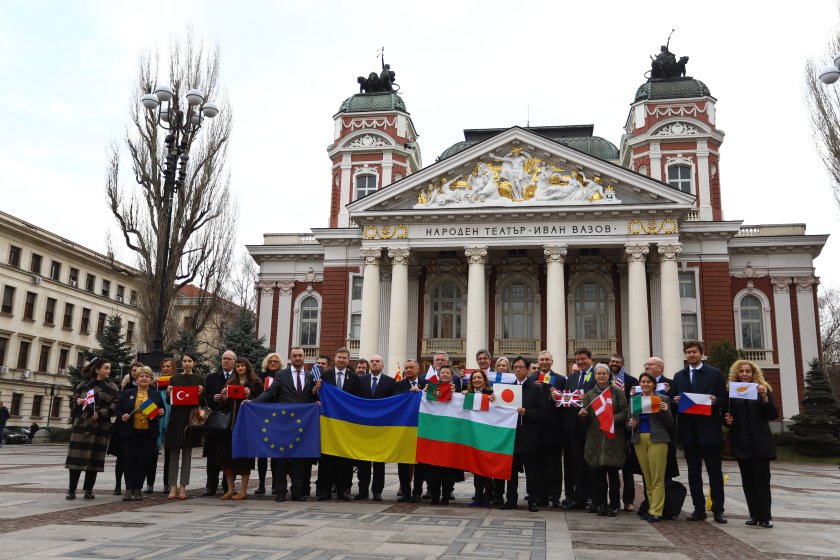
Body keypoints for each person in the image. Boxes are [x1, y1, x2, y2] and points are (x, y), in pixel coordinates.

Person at [670, 340, 728, 523]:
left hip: (709, 429)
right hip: (689, 431)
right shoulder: (679, 376)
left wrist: (715, 401)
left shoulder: (714, 374)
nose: (691, 355)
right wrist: (675, 400)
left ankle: (718, 509)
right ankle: (698, 508)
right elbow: (673, 399)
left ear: (701, 353)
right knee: (694, 472)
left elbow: (724, 398)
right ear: (685, 355)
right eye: (688, 352)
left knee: (714, 472)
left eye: (694, 352)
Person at [254, 346, 318, 502]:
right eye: (295, 355)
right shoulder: (282, 375)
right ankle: (280, 491)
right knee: (281, 457)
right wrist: (253, 402)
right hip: (284, 423)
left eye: (300, 355)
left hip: (302, 424)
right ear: (290, 358)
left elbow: (309, 398)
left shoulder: (310, 377)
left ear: (304, 358)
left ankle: (296, 491)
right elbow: (270, 392)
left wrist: (316, 400)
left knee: (299, 458)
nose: (297, 358)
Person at [724, 360, 778, 529]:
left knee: (762, 481)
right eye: (742, 372)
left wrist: (764, 397)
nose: (745, 374)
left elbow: (772, 414)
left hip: (760, 442)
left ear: (753, 373)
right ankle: (753, 515)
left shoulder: (763, 389)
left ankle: (766, 517)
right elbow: (727, 417)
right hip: (741, 442)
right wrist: (728, 421)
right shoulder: (732, 392)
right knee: (747, 481)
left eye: (748, 371)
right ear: (737, 374)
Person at [64, 358, 120, 499]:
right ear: (96, 369)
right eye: (106, 368)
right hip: (82, 425)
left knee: (94, 461)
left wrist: (101, 414)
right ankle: (71, 489)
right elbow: (73, 403)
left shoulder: (112, 387)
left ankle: (88, 489)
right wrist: (77, 402)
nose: (109, 371)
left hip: (100, 427)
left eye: (109, 368)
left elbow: (115, 406)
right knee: (76, 460)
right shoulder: (83, 385)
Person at [579, 363, 627, 517]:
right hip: (595, 439)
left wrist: (611, 420)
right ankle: (599, 503)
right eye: (598, 373)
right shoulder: (589, 395)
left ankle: (613, 505)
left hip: (613, 439)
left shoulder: (618, 392)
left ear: (608, 376)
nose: (601, 376)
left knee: (613, 475)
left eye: (604, 374)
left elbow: (625, 411)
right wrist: (583, 415)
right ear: (594, 376)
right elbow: (585, 416)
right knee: (597, 476)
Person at [627, 370, 673, 522]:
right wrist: (631, 424)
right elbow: (629, 424)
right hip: (639, 439)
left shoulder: (662, 398)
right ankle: (651, 507)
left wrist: (665, 411)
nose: (645, 384)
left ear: (654, 384)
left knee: (657, 476)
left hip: (658, 439)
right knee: (647, 476)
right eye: (643, 382)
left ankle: (656, 511)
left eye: (648, 382)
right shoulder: (635, 400)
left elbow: (670, 424)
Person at [501, 355, 545, 512]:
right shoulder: (507, 388)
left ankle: (533, 500)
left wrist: (527, 413)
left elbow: (542, 412)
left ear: (527, 370)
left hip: (529, 436)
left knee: (532, 471)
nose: (518, 370)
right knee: (510, 471)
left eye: (521, 367)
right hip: (511, 437)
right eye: (515, 367)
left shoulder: (535, 389)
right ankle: (511, 499)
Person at [217, 357, 263, 500]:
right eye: (238, 366)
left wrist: (251, 396)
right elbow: (223, 407)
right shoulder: (231, 382)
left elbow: (261, 402)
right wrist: (223, 397)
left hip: (246, 425)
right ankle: (230, 489)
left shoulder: (255, 383)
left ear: (247, 367)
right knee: (228, 458)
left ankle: (243, 490)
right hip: (230, 424)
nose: (240, 368)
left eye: (242, 365)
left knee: (244, 458)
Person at [117, 366, 166, 501]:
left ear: (151, 380)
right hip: (130, 432)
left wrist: (161, 413)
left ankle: (138, 489)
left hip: (148, 433)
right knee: (129, 460)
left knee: (143, 461)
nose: (144, 378)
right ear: (136, 379)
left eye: (147, 376)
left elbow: (161, 412)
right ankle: (128, 489)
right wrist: (123, 416)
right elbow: (119, 409)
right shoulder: (128, 393)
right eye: (141, 376)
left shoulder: (155, 395)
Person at [316, 348, 358, 501]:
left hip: (346, 425)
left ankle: (343, 491)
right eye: (339, 357)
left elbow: (357, 399)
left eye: (344, 358)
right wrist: (317, 389)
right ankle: (324, 491)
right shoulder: (325, 376)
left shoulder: (353, 377)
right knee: (327, 459)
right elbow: (317, 395)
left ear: (348, 360)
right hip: (329, 424)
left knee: (345, 460)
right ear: (335, 358)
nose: (341, 360)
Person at [354, 354, 396, 500]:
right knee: (363, 461)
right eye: (372, 361)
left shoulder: (390, 382)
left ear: (382, 365)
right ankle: (362, 490)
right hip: (364, 427)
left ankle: (377, 491)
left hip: (381, 429)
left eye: (377, 361)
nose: (374, 363)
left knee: (379, 462)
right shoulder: (360, 381)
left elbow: (395, 403)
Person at [165, 352, 206, 500]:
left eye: (189, 361)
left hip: (190, 420)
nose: (186, 363)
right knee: (174, 455)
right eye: (184, 361)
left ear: (194, 363)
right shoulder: (175, 379)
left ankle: (183, 486)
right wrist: (168, 393)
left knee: (187, 455)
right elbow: (171, 402)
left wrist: (200, 393)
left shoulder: (199, 379)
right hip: (176, 419)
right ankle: (172, 486)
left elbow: (201, 403)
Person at [529, 350, 567, 508]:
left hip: (554, 428)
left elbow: (566, 402)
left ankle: (555, 495)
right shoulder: (531, 380)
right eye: (541, 360)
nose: (544, 362)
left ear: (552, 361)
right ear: (538, 362)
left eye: (547, 359)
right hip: (536, 429)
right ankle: (541, 495)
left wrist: (557, 396)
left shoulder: (560, 379)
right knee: (539, 464)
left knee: (555, 465)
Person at [422, 365, 464, 505]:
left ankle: (446, 496)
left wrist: (458, 393)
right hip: (435, 435)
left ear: (452, 376)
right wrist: (424, 392)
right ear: (438, 375)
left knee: (449, 469)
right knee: (433, 469)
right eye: (442, 373)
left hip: (451, 436)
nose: (445, 374)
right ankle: (434, 496)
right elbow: (424, 403)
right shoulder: (431, 389)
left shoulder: (456, 391)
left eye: (448, 373)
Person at [561, 349, 597, 510]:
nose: (580, 362)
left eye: (583, 359)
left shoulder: (598, 375)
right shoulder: (573, 377)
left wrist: (588, 398)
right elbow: (567, 399)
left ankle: (591, 496)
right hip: (573, 427)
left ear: (590, 359)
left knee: (590, 463)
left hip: (590, 426)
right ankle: (578, 496)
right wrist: (560, 398)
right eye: (578, 359)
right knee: (575, 464)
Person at [610, 353, 640, 512]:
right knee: (611, 468)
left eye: (617, 362)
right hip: (609, 429)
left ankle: (628, 500)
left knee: (628, 469)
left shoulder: (631, 381)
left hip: (626, 430)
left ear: (623, 364)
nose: (614, 364)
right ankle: (613, 501)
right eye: (612, 361)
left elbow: (635, 403)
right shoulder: (604, 379)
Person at [203, 350, 235, 496]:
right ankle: (211, 485)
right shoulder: (211, 378)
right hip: (214, 422)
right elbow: (203, 399)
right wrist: (213, 399)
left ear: (234, 361)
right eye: (224, 358)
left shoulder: (237, 377)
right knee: (212, 455)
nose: (225, 361)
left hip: (231, 421)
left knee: (228, 454)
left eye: (229, 359)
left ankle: (227, 486)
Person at [463, 368, 496, 507]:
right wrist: (462, 395)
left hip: (487, 436)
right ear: (471, 381)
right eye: (474, 378)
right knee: (476, 469)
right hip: (473, 437)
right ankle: (477, 496)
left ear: (484, 380)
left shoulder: (491, 393)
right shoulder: (467, 394)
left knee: (486, 468)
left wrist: (495, 400)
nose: (477, 380)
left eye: (479, 378)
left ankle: (488, 496)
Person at [109, 361, 143, 496]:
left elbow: (153, 408)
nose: (136, 373)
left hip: (140, 427)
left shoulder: (148, 388)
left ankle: (135, 486)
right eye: (134, 370)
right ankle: (118, 484)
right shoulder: (126, 387)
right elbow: (118, 406)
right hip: (124, 427)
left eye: (139, 370)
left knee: (137, 458)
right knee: (122, 458)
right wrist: (122, 387)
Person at [256, 352, 285, 496]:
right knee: (262, 453)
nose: (273, 363)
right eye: (271, 361)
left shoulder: (283, 377)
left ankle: (275, 483)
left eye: (276, 361)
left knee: (276, 452)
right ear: (266, 363)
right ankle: (261, 484)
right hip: (263, 416)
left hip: (278, 417)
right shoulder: (259, 377)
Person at [395, 359, 423, 502]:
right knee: (404, 463)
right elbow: (395, 400)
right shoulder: (399, 385)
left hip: (422, 430)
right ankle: (405, 492)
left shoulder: (426, 384)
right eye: (406, 368)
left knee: (419, 464)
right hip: (404, 430)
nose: (408, 370)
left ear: (418, 369)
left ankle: (417, 492)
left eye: (411, 367)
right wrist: (408, 392)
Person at [150, 357, 175, 494]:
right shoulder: (155, 384)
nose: (165, 368)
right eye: (163, 366)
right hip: (157, 418)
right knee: (153, 452)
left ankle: (168, 483)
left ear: (173, 368)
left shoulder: (176, 382)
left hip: (170, 418)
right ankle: (150, 483)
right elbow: (147, 402)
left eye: (168, 366)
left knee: (169, 455)